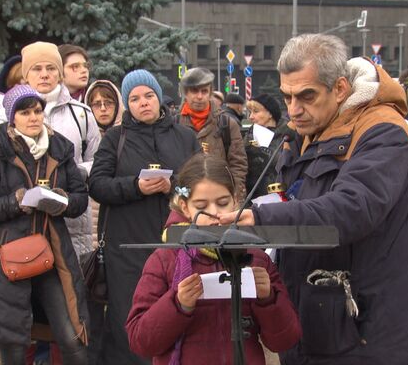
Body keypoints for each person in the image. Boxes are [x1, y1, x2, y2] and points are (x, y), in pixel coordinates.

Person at [219, 34, 408, 364]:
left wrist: (263, 220)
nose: (294, 109)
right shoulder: (309, 129)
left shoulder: (383, 130)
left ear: (339, 89)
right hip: (321, 320)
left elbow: (354, 207)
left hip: (370, 331)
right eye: (287, 97)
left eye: (306, 96)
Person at [126, 153, 301, 364]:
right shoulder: (165, 259)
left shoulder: (256, 258)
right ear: (184, 207)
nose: (214, 213)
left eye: (222, 202)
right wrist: (177, 304)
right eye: (201, 205)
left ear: (235, 201)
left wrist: (268, 298)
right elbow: (140, 341)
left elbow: (285, 341)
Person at [0, 85, 90, 364]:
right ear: (13, 118)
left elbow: (80, 200)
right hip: (9, 257)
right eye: (25, 112)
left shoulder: (60, 149)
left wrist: (63, 201)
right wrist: (16, 201)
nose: (34, 117)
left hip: (53, 254)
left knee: (72, 334)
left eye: (37, 111)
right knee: (12, 341)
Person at [89, 69, 200, 365]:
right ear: (128, 104)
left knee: (176, 310)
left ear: (159, 99)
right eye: (135, 98)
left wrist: (173, 185)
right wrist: (135, 186)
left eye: (148, 96)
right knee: (128, 316)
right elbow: (97, 185)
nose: (143, 103)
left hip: (176, 244)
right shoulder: (115, 138)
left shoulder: (185, 137)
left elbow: (203, 183)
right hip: (126, 247)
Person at [21, 41, 100, 261]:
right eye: (37, 69)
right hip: (25, 220)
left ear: (59, 73)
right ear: (26, 74)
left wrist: (72, 173)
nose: (44, 75)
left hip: (71, 222)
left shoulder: (82, 114)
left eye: (51, 68)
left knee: (72, 291)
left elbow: (98, 162)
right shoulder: (7, 115)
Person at [83, 79, 125, 364]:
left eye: (107, 102)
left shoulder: (125, 135)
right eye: (96, 103)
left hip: (117, 229)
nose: (102, 108)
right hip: (88, 230)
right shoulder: (84, 138)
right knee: (93, 304)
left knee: (120, 305)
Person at [176, 67, 248, 201]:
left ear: (210, 93)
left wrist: (234, 197)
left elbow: (238, 165)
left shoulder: (226, 123)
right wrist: (180, 199)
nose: (199, 96)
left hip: (218, 199)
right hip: (185, 199)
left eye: (204, 91)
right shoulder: (174, 123)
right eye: (194, 91)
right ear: (185, 93)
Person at [244, 93, 297, 200]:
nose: (251, 117)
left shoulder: (288, 135)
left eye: (256, 111)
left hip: (280, 197)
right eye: (250, 112)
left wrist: (263, 152)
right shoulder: (248, 136)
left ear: (270, 113)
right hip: (251, 198)